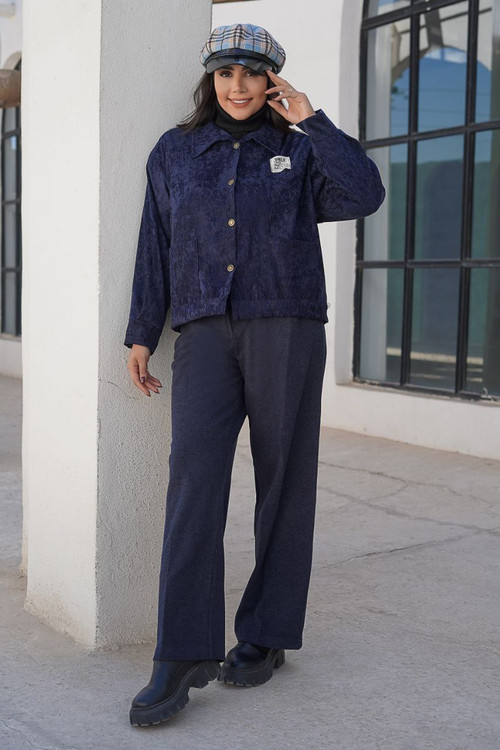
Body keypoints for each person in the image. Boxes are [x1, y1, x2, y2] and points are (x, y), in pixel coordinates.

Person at [124, 23, 385, 728]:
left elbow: (364, 195)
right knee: (194, 486)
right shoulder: (175, 152)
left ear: (272, 80)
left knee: (285, 482)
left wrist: (312, 120)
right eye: (225, 73)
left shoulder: (299, 152)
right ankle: (182, 653)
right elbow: (156, 243)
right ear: (209, 79)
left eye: (251, 72)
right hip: (205, 333)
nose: (237, 86)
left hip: (287, 327)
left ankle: (266, 634)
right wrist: (143, 330)